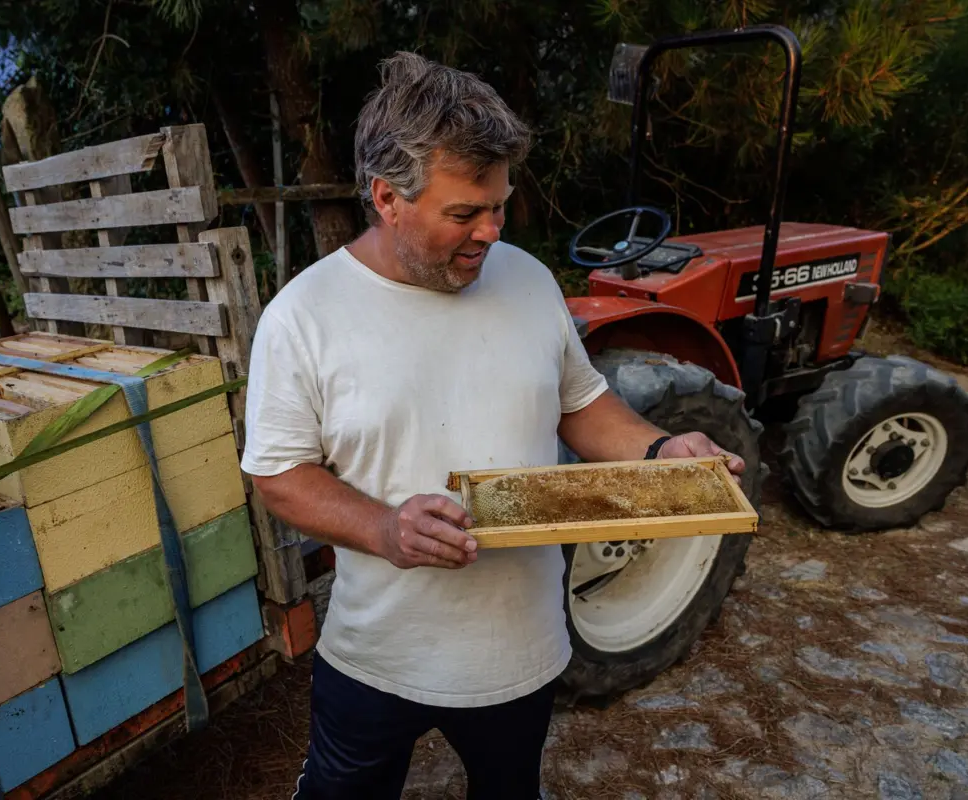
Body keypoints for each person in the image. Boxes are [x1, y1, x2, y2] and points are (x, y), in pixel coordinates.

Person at [240, 51, 745, 800]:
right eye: (463, 213)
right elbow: (277, 477)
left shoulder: (528, 277)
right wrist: (386, 529)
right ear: (386, 197)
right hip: (379, 657)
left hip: (521, 653)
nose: (490, 232)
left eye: (499, 205)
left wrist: (662, 449)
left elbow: (580, 403)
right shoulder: (303, 318)